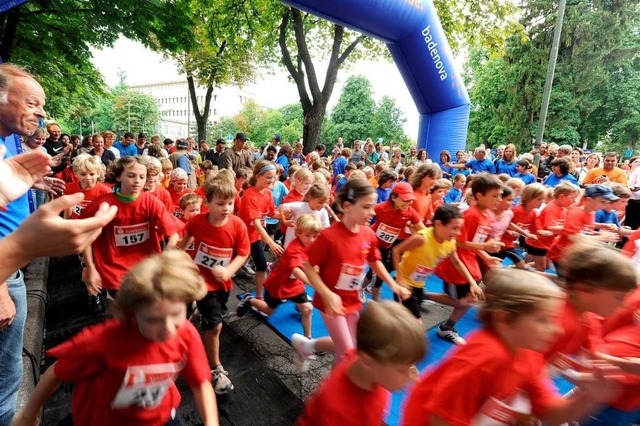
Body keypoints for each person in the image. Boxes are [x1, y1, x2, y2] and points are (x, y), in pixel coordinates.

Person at [0, 63, 116, 424]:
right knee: (6, 380)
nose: (41, 112)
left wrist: (28, 182)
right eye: (33, 102)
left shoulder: (7, 140)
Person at [13, 250, 219, 426]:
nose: (166, 328)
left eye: (175, 315)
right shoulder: (103, 342)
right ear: (133, 313)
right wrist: (28, 415)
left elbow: (201, 384)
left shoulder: (186, 334)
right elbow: (55, 374)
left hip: (162, 417)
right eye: (153, 320)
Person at [402, 268, 622, 426]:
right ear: (504, 319)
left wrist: (592, 395)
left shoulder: (527, 354)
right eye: (543, 320)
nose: (557, 330)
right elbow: (439, 419)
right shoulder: (484, 358)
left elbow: (552, 414)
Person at [293, 179, 411, 366]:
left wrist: (393, 284)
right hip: (331, 303)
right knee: (347, 354)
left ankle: (308, 346)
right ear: (347, 206)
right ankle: (334, 393)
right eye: (366, 207)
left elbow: (375, 261)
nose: (372, 213)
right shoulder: (329, 236)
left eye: (373, 207)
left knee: (351, 346)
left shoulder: (368, 234)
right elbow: (308, 266)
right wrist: (327, 294)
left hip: (352, 300)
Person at [177, 173, 250, 395]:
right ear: (207, 203)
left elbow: (243, 254)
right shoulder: (197, 222)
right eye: (220, 204)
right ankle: (215, 368)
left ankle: (195, 310)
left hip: (222, 285)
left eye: (230, 203)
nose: (227, 208)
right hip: (200, 282)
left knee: (214, 315)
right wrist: (172, 256)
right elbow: (184, 243)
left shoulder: (237, 225)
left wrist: (228, 270)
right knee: (216, 325)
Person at [298, 301, 426, 426]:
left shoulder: (369, 366)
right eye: (403, 369)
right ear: (369, 361)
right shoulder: (337, 410)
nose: (412, 376)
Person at [80, 156, 179, 300]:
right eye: (131, 176)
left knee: (144, 314)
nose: (137, 180)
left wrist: (166, 257)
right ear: (119, 176)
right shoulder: (103, 204)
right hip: (114, 271)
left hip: (147, 270)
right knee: (133, 313)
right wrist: (89, 267)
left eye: (142, 176)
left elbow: (174, 233)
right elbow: (84, 235)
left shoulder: (152, 202)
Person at [434, 173, 505, 345]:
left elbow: (476, 242)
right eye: (495, 196)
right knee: (463, 300)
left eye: (500, 195)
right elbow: (458, 242)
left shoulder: (487, 216)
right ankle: (422, 296)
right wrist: (484, 248)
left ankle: (447, 327)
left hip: (470, 263)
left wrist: (486, 256)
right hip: (456, 264)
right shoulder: (470, 215)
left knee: (469, 299)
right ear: (480, 196)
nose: (499, 200)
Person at [238, 215, 320, 342]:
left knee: (307, 308)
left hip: (294, 284)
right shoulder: (294, 249)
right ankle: (249, 300)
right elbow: (296, 270)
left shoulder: (309, 244)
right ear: (298, 233)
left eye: (315, 236)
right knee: (268, 310)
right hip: (279, 284)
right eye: (308, 235)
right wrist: (315, 284)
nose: (312, 239)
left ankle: (308, 341)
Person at [393, 205, 476, 320]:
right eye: (454, 228)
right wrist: (400, 278)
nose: (458, 233)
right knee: (415, 323)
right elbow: (396, 251)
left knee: (405, 319)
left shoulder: (450, 242)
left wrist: (472, 282)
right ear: (438, 224)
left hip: (419, 284)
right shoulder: (421, 238)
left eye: (459, 228)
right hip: (404, 284)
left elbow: (457, 262)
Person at [367, 182, 424, 301]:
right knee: (379, 271)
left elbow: (424, 230)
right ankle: (375, 297)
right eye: (405, 200)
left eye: (410, 200)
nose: (408, 203)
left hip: (388, 246)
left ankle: (365, 290)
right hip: (373, 243)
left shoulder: (410, 212)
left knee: (379, 271)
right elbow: (365, 214)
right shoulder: (381, 207)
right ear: (393, 197)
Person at [237, 160, 284, 298]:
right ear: (257, 176)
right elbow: (256, 222)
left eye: (274, 177)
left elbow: (271, 213)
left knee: (261, 265)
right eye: (268, 177)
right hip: (243, 236)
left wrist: (288, 218)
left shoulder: (267, 193)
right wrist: (270, 242)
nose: (272, 180)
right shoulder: (250, 194)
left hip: (254, 237)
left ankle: (259, 297)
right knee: (231, 262)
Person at [546, 184, 619, 269]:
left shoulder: (591, 211)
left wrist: (603, 226)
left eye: (607, 202)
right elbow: (572, 236)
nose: (605, 205)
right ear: (589, 200)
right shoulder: (576, 213)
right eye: (602, 202)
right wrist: (600, 238)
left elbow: (586, 229)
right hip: (562, 255)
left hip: (574, 254)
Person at [525, 181, 580, 271]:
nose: (574, 201)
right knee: (541, 267)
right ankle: (522, 272)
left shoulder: (563, 208)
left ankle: (522, 267)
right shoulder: (551, 208)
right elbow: (549, 227)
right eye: (572, 198)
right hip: (538, 242)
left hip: (547, 243)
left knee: (545, 266)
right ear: (561, 196)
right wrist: (568, 230)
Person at [63, 154, 112, 220]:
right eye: (83, 174)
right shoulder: (69, 189)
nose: (88, 178)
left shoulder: (106, 192)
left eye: (92, 174)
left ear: (98, 174)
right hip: (75, 227)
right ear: (75, 173)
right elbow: (68, 209)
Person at [280, 184, 330, 248]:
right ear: (310, 197)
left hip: (309, 242)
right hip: (292, 240)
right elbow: (282, 206)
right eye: (320, 202)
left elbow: (326, 228)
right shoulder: (300, 206)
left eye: (325, 203)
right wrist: (284, 220)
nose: (322, 205)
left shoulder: (323, 212)